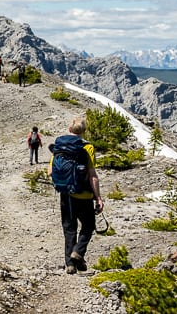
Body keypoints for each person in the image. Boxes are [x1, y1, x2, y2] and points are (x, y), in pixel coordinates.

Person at [47, 116, 103, 274]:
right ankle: (78, 252)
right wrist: (98, 197)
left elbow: (50, 171)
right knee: (88, 226)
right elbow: (92, 174)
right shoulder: (88, 148)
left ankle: (70, 264)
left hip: (65, 194)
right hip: (83, 194)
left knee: (69, 227)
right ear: (84, 131)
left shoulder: (59, 146)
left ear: (69, 129)